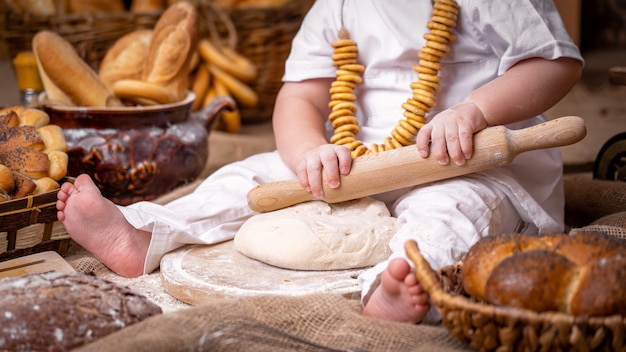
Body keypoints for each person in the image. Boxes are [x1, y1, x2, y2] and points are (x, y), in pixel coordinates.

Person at [57, 0, 583, 324]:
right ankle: (144, 235)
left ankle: (394, 282)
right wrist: (310, 151)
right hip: (349, 157)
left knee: (455, 211)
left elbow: (554, 61)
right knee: (247, 176)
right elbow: (300, 99)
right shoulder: (337, 5)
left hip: (465, 157)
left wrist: (475, 110)